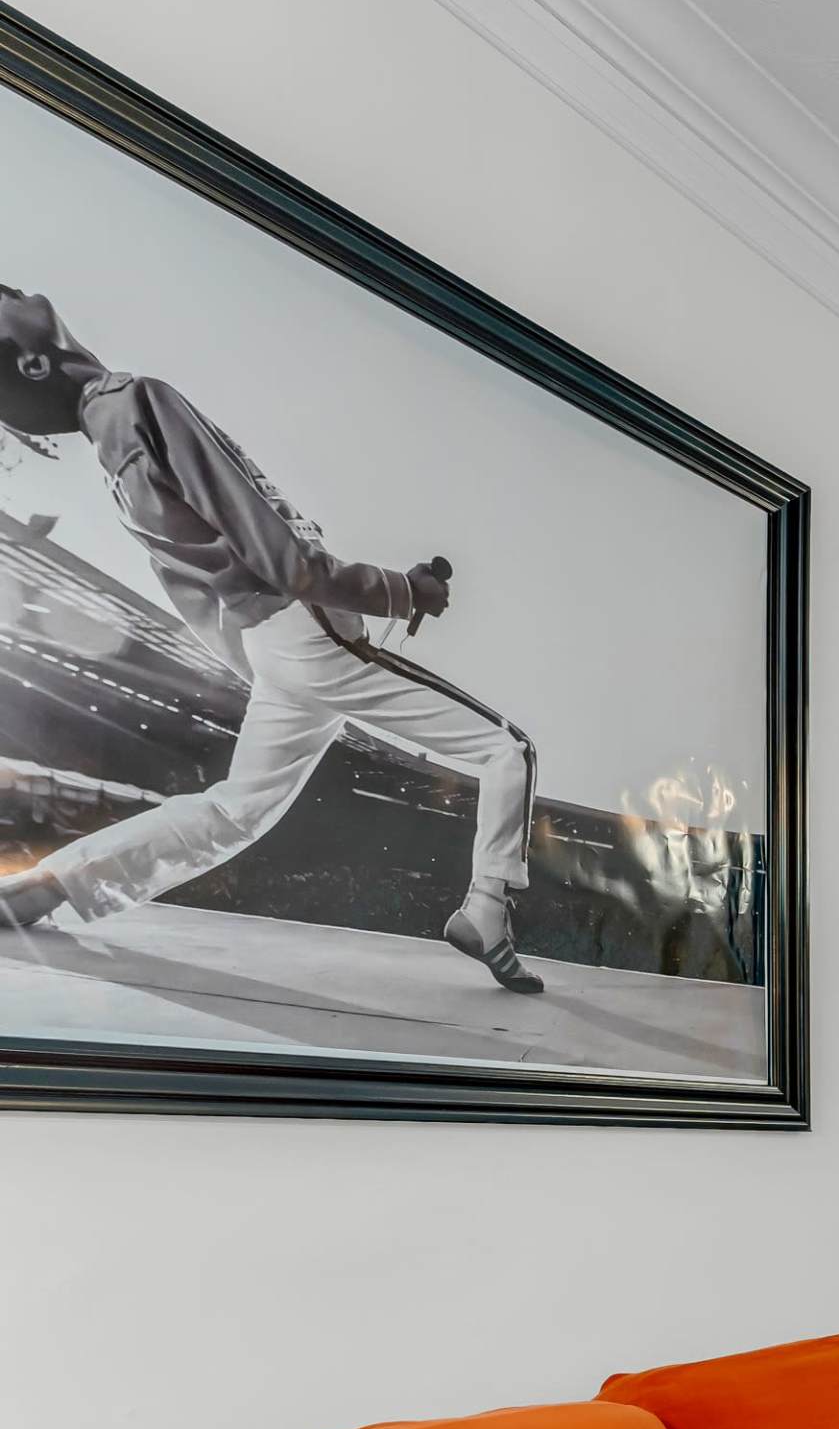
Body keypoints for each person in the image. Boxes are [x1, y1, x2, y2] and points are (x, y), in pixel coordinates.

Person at [0, 284, 542, 991]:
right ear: (35, 364)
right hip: (300, 627)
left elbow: (211, 581)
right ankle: (487, 907)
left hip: (274, 645)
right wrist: (406, 589)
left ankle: (48, 885)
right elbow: (290, 564)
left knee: (233, 810)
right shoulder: (136, 400)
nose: (21, 289)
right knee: (507, 749)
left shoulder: (112, 446)